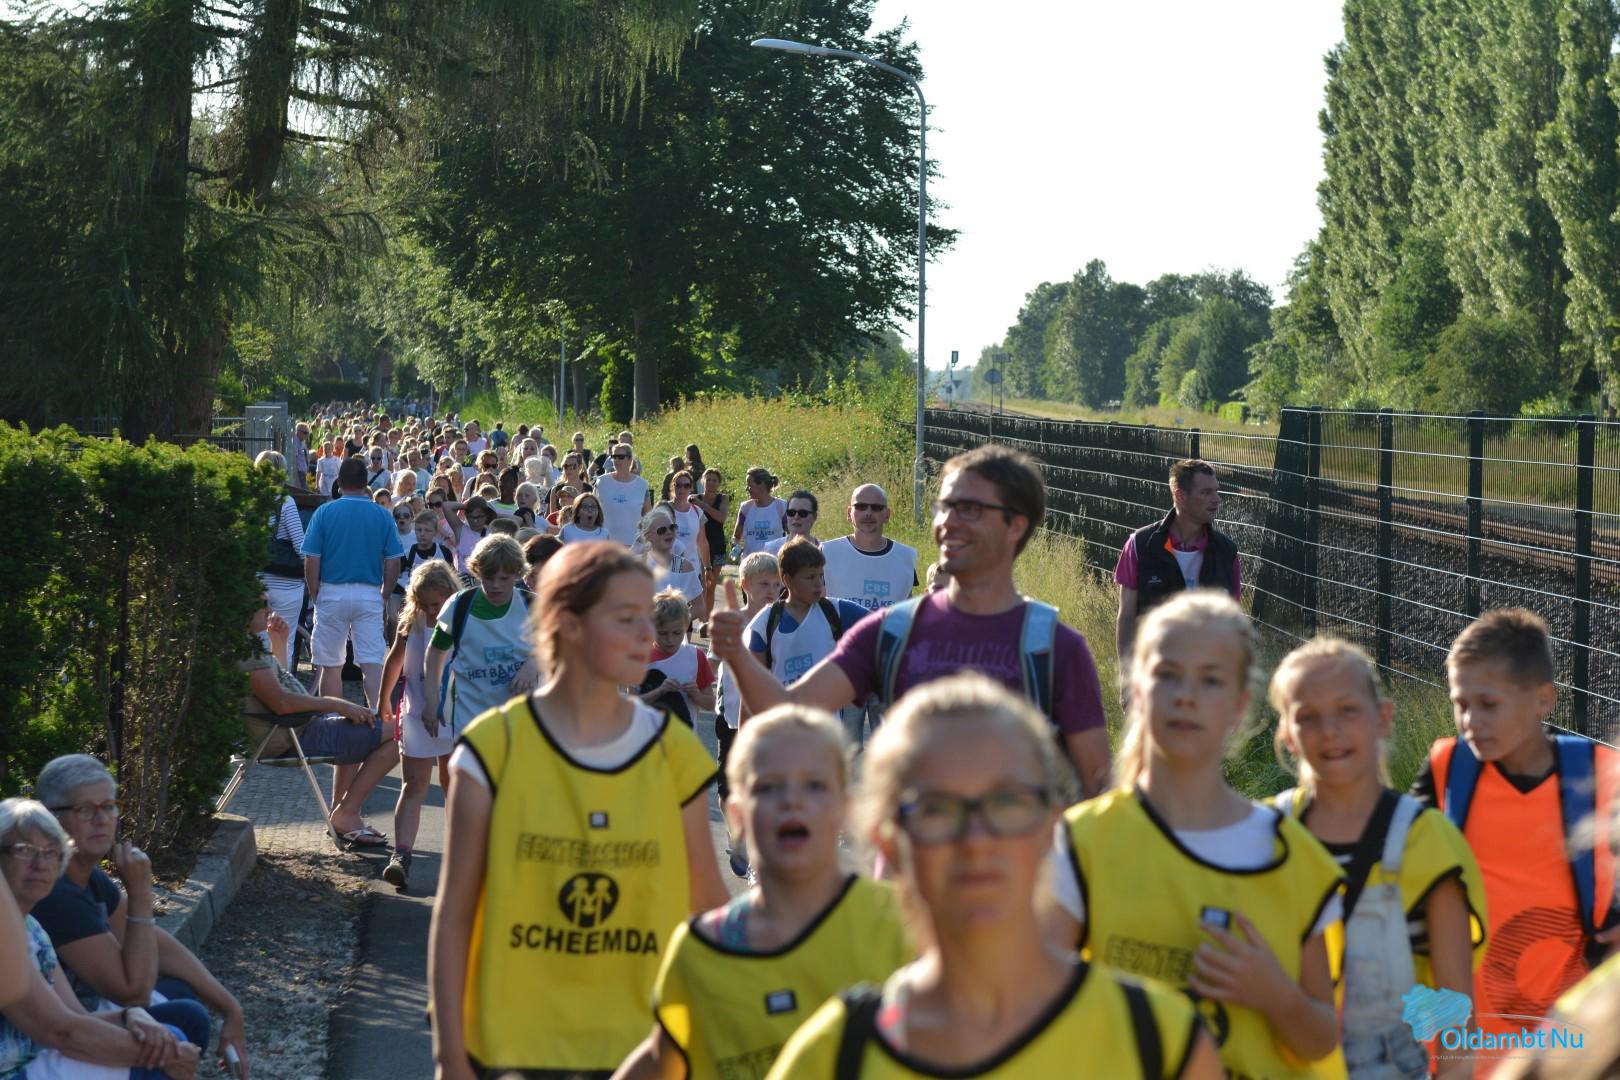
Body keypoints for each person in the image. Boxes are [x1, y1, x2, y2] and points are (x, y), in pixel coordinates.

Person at [766, 675, 1219, 1079]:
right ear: (888, 844)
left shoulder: (1159, 1042)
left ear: (1051, 827)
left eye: (1006, 802)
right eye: (937, 809)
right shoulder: (830, 1060)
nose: (976, 839)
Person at [428, 542, 729, 1079]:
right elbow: (455, 913)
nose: (646, 634)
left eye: (648, 618)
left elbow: (707, 911)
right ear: (568, 624)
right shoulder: (492, 749)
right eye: (626, 618)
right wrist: (450, 1056)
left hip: (636, 1046)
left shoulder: (674, 753)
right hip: (512, 1043)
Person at [1050, 592, 1346, 1078]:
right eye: (1168, 674)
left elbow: (1321, 1038)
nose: (1186, 695)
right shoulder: (1084, 842)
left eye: (1210, 680)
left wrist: (1274, 995)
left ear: (1239, 705)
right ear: (1137, 688)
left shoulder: (1293, 857)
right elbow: (1033, 1011)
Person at [711, 445, 1112, 797]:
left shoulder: (1052, 647)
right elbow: (788, 707)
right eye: (945, 506)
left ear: (1016, 525)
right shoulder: (891, 632)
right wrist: (740, 658)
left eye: (970, 510)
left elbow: (1095, 787)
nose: (949, 522)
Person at [613, 705, 911, 1080]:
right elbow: (662, 1058)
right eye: (768, 787)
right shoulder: (701, 951)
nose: (791, 801)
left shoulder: (899, 925)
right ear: (736, 815)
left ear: (845, 809)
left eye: (815, 786)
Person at [1410, 608, 1620, 1065]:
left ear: (1543, 699)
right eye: (1460, 704)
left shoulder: (1599, 777)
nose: (1470, 721)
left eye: (1488, 704)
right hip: (1459, 1045)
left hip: (1564, 1049)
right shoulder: (1447, 771)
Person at [1271, 637, 1485, 1079]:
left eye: (1347, 710)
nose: (1330, 730)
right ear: (1288, 735)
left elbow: (1455, 1015)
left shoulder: (1427, 841)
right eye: (1308, 716)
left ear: (1383, 717)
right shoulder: (1267, 834)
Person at [30, 757, 245, 1074]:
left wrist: (230, 1008)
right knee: (184, 1024)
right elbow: (133, 992)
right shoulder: (56, 891)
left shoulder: (86, 873)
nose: (101, 820)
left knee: (182, 996)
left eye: (108, 807)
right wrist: (142, 892)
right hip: (49, 1043)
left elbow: (159, 945)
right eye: (85, 810)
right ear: (50, 818)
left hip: (81, 1018)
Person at [0, 798, 203, 1080]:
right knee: (162, 1055)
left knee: (186, 1019)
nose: (40, 864)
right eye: (25, 851)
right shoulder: (8, 934)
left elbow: (74, 1014)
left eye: (50, 853)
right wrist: (168, 1055)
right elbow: (63, 1032)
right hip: (14, 1069)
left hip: (40, 1051)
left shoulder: (33, 928)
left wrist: (129, 1017)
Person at [243, 599, 402, 846]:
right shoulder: (248, 657)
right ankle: (346, 812)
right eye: (262, 603)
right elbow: (282, 703)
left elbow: (282, 689)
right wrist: (337, 705)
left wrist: (279, 644)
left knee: (362, 723)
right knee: (402, 731)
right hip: (293, 735)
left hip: (293, 729)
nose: (269, 609)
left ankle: (342, 813)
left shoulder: (246, 648)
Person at [1114, 459, 1240, 698]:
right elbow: (1126, 618)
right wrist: (1127, 680)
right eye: (1206, 492)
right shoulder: (1140, 546)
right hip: (1154, 683)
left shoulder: (1227, 553)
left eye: (1216, 491)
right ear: (1180, 496)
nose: (1217, 499)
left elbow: (1233, 626)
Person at [379, 559, 462, 891]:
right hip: (415, 711)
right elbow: (395, 660)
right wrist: (384, 699)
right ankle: (401, 855)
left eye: (436, 604)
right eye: (424, 604)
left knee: (454, 787)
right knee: (413, 785)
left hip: (454, 714)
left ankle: (458, 858)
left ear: (450, 596)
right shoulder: (411, 621)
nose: (430, 610)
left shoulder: (462, 620)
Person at [301, 455, 404, 716]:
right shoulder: (382, 516)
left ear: (338, 481)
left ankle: (332, 720)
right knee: (371, 662)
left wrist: (315, 592)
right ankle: (380, 720)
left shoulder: (324, 512)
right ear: (365, 482)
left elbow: (312, 559)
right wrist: (384, 594)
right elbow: (393, 561)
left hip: (331, 591)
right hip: (369, 592)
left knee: (330, 665)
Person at [423, 536, 541, 748]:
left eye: (503, 578)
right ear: (476, 571)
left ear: (518, 573)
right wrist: (431, 700)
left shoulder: (533, 605)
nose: (495, 585)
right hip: (471, 718)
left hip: (522, 720)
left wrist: (534, 663)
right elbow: (435, 652)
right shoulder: (460, 605)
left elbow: (561, 646)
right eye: (489, 577)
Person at [715, 553, 783, 877]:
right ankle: (736, 832)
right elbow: (717, 659)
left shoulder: (783, 621)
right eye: (763, 584)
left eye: (776, 584)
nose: (771, 590)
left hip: (767, 717)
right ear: (745, 585)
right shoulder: (734, 619)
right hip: (731, 712)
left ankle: (757, 843)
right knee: (728, 785)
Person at [747, 538, 867, 691]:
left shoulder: (836, 611)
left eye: (820, 575)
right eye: (810, 577)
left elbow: (885, 623)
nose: (819, 583)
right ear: (788, 580)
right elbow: (752, 687)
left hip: (830, 707)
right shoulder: (765, 623)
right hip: (783, 706)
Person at [820, 484, 919, 615]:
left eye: (876, 508)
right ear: (849, 513)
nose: (868, 513)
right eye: (861, 506)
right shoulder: (827, 552)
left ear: (887, 515)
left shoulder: (905, 557)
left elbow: (907, 614)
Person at [256, 450, 306, 670]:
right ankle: (283, 685)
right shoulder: (286, 502)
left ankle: (261, 684)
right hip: (287, 587)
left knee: (259, 641)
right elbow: (300, 546)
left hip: (259, 582)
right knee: (284, 641)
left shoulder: (252, 500)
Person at [637, 589, 716, 728]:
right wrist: (659, 691)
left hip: (685, 737)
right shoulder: (640, 658)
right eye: (662, 633)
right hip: (650, 736)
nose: (670, 639)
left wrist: (696, 695)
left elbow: (710, 704)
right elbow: (631, 706)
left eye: (677, 633)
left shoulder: (696, 656)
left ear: (686, 626)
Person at [638, 506, 705, 622]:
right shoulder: (638, 565)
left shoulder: (682, 566)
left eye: (672, 528)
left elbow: (699, 606)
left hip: (674, 633)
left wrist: (675, 622)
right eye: (661, 530)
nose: (669, 532)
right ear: (648, 536)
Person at [596, 444, 653, 547]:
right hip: (605, 543)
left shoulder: (642, 485)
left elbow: (648, 516)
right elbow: (593, 508)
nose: (617, 460)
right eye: (614, 457)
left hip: (633, 545)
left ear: (630, 459)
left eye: (621, 457)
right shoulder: (601, 482)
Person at [694, 468, 730, 616]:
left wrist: (703, 506)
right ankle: (700, 616)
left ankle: (708, 620)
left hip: (717, 544)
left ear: (719, 483)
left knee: (711, 586)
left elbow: (721, 518)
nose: (711, 482)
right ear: (702, 481)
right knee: (701, 585)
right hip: (699, 545)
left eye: (714, 480)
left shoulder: (723, 498)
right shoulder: (694, 498)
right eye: (708, 479)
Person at [734, 469, 786, 558]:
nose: (746, 489)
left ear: (762, 485)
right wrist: (736, 547)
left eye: (749, 485)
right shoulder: (745, 507)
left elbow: (792, 534)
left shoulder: (781, 506)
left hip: (774, 562)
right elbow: (736, 537)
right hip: (750, 562)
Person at [665, 471, 710, 569]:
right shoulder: (663, 509)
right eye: (678, 485)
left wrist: (707, 568)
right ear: (673, 486)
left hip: (692, 568)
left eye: (686, 486)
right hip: (667, 568)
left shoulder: (698, 512)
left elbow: (702, 542)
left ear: (691, 488)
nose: (682, 489)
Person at [763, 490, 820, 557]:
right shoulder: (771, 549)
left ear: (814, 516)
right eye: (791, 512)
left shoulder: (823, 549)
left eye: (803, 513)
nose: (796, 517)